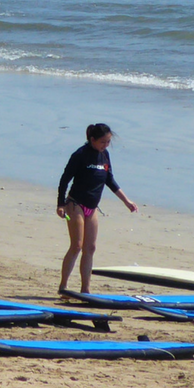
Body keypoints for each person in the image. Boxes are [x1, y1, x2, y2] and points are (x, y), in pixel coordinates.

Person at [56, 122, 138, 293]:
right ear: (92, 139)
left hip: (92, 208)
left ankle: (85, 290)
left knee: (90, 248)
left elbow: (110, 180)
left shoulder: (105, 155)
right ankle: (63, 286)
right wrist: (61, 204)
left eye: (108, 142)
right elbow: (65, 179)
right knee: (77, 245)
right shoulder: (80, 155)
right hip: (74, 205)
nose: (106, 145)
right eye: (103, 142)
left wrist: (126, 201)